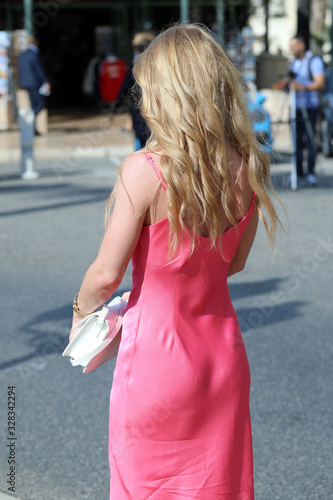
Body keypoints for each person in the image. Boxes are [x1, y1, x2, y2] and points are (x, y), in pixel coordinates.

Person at [69, 24, 281, 499]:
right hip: (222, 358)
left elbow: (105, 276)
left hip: (157, 363)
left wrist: (81, 316)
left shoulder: (144, 170)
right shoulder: (248, 165)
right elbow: (232, 264)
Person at [289, 34, 325, 186]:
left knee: (310, 139)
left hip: (310, 107)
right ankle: (297, 173)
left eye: (293, 46)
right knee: (296, 141)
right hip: (295, 107)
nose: (291, 50)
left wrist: (303, 87)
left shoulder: (314, 61)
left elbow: (320, 83)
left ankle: (310, 172)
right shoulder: (294, 63)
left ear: (301, 46)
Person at [109, 31, 154, 149]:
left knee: (142, 141)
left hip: (139, 109)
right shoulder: (157, 66)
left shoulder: (135, 67)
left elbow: (124, 89)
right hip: (153, 108)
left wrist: (114, 110)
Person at [18, 36, 51, 128]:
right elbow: (38, 69)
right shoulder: (34, 53)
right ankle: (29, 119)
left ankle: (33, 129)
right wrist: (46, 81)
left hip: (25, 83)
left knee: (33, 105)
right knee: (41, 104)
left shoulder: (22, 54)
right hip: (34, 83)